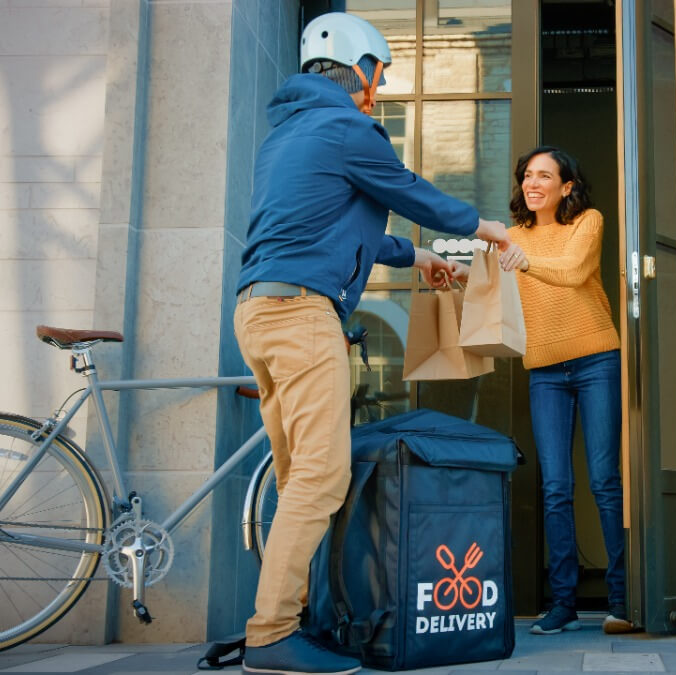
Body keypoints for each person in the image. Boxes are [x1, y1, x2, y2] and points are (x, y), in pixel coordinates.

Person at [233, 12, 510, 675]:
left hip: (259, 310)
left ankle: (290, 623)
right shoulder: (347, 127)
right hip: (303, 315)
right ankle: (270, 633)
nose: (380, 87)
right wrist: (486, 228)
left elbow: (338, 225)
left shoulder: (289, 134)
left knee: (301, 478)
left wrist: (414, 257)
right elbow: (409, 191)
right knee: (322, 478)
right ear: (358, 64)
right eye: (380, 71)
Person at [496, 146, 633, 635]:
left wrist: (523, 262)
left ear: (566, 186)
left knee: (603, 480)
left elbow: (573, 272)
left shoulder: (587, 222)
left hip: (597, 359)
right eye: (527, 176)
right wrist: (457, 273)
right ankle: (563, 604)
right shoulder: (511, 237)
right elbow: (495, 287)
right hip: (545, 372)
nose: (532, 184)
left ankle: (621, 600)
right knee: (555, 488)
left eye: (544, 176)